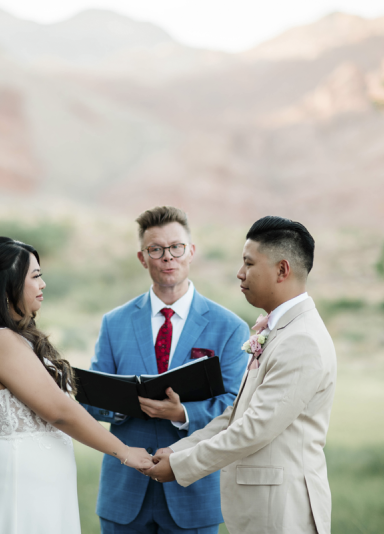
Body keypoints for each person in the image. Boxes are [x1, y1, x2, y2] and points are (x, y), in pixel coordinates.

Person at [0, 237, 153, 534]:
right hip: (22, 490)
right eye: (35, 277)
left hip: (25, 483)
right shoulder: (1, 342)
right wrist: (124, 451)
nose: (43, 284)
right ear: (7, 285)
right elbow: (59, 411)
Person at [146, 216, 338, 534]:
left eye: (249, 263)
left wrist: (180, 466)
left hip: (281, 512)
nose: (240, 273)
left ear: (282, 270)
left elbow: (254, 429)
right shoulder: (281, 329)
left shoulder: (301, 339)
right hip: (260, 508)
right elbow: (237, 415)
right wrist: (179, 449)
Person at [85, 206, 250, 534]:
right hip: (124, 490)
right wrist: (122, 406)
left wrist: (183, 414)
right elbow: (91, 398)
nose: (167, 257)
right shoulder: (114, 322)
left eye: (176, 247)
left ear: (191, 251)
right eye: (156, 249)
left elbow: (235, 405)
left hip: (193, 490)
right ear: (142, 257)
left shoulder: (230, 327)